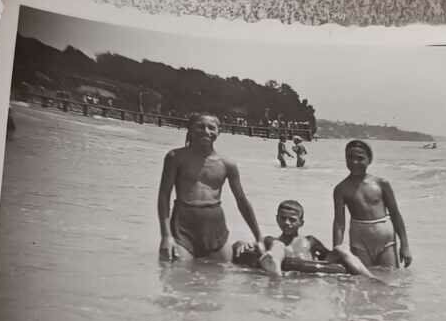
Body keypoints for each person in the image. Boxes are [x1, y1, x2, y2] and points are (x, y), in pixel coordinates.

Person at [158, 113, 263, 261]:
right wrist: (166, 236)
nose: (206, 131)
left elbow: (241, 201)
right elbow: (164, 196)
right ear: (190, 129)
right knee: (176, 276)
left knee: (220, 276)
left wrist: (259, 237)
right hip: (182, 227)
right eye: (200, 127)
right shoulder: (175, 157)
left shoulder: (227, 164)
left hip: (215, 229)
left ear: (219, 132)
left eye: (211, 128)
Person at [232, 200, 378, 279]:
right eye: (283, 218)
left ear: (301, 223)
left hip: (307, 274)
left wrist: (341, 256)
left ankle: (369, 278)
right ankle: (275, 270)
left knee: (342, 248)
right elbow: (252, 247)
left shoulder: (310, 241)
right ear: (277, 219)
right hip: (284, 272)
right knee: (277, 244)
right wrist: (241, 244)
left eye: (292, 219)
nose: (287, 223)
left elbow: (328, 257)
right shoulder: (270, 240)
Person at [332, 140, 412, 268]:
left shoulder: (381, 184)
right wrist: (337, 250)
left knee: (391, 278)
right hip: (359, 238)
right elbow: (339, 223)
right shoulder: (341, 189)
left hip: (386, 238)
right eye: (350, 157)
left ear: (369, 160)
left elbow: (395, 214)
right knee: (364, 280)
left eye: (360, 158)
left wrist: (405, 245)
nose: (354, 162)